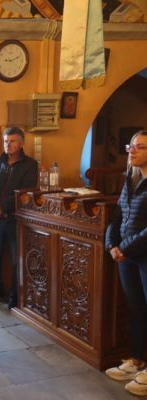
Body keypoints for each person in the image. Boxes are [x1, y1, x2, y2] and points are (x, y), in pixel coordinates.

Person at [105, 130, 147, 397]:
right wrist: (112, 244)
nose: (132, 151)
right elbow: (117, 215)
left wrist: (126, 247)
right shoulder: (130, 179)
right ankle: (137, 360)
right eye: (130, 146)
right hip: (127, 256)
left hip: (142, 255)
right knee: (136, 309)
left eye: (140, 147)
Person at [0, 126, 38, 309]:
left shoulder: (30, 165)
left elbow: (25, 192)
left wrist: (3, 207)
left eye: (12, 141)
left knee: (16, 259)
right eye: (6, 141)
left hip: (15, 219)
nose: (8, 145)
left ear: (21, 143)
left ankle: (15, 294)